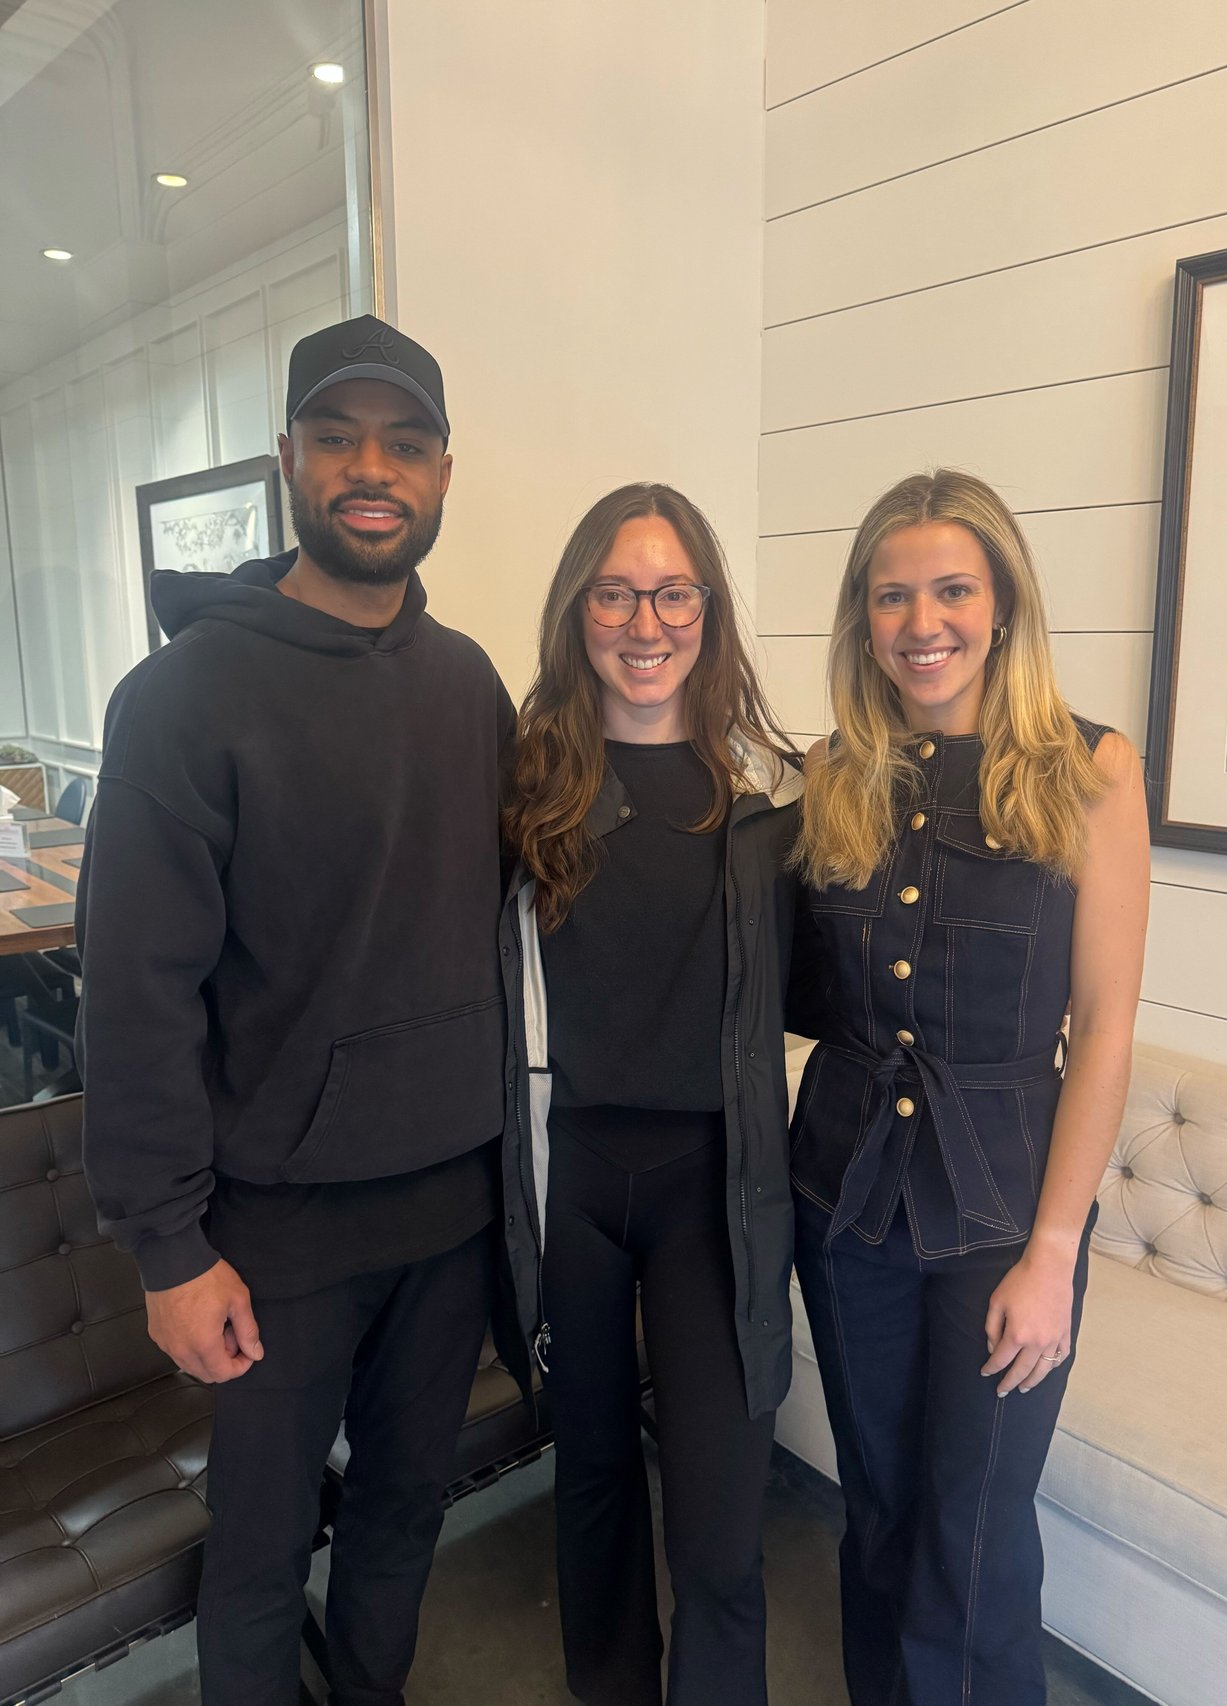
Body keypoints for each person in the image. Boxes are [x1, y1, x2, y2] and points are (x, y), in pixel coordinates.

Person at [76, 315, 514, 1706]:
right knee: (261, 1554)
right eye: (338, 438)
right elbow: (134, 994)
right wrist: (167, 1247)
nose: (371, 469)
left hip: (451, 1213)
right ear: (288, 460)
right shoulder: (181, 699)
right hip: (274, 1235)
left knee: (402, 1512)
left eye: (404, 443)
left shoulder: (473, 685)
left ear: (443, 472)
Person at [788, 470, 1149, 1706]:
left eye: (950, 589)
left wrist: (1052, 1250)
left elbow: (1102, 1028)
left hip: (1006, 1217)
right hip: (843, 1204)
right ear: (862, 614)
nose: (920, 621)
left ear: (1001, 605)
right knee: (879, 1511)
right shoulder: (831, 770)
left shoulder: (1089, 768)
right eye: (891, 595)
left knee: (975, 1539)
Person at [500, 483, 802, 1706]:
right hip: (567, 1175)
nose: (645, 622)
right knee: (590, 1485)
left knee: (720, 1518)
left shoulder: (769, 791)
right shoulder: (522, 784)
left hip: (711, 1187)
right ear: (576, 608)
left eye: (673, 593)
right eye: (615, 593)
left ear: (707, 608)